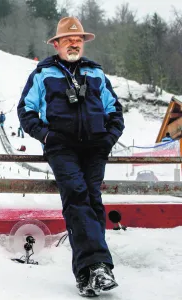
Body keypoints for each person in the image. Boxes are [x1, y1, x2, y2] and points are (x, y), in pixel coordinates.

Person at [17, 16, 124, 297]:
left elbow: (115, 111)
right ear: (57, 44)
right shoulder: (42, 74)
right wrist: (48, 136)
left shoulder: (97, 74)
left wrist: (108, 139)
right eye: (68, 39)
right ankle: (100, 266)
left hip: (94, 148)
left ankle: (86, 275)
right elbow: (26, 112)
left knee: (91, 201)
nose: (74, 43)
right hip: (61, 147)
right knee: (77, 195)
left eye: (78, 40)